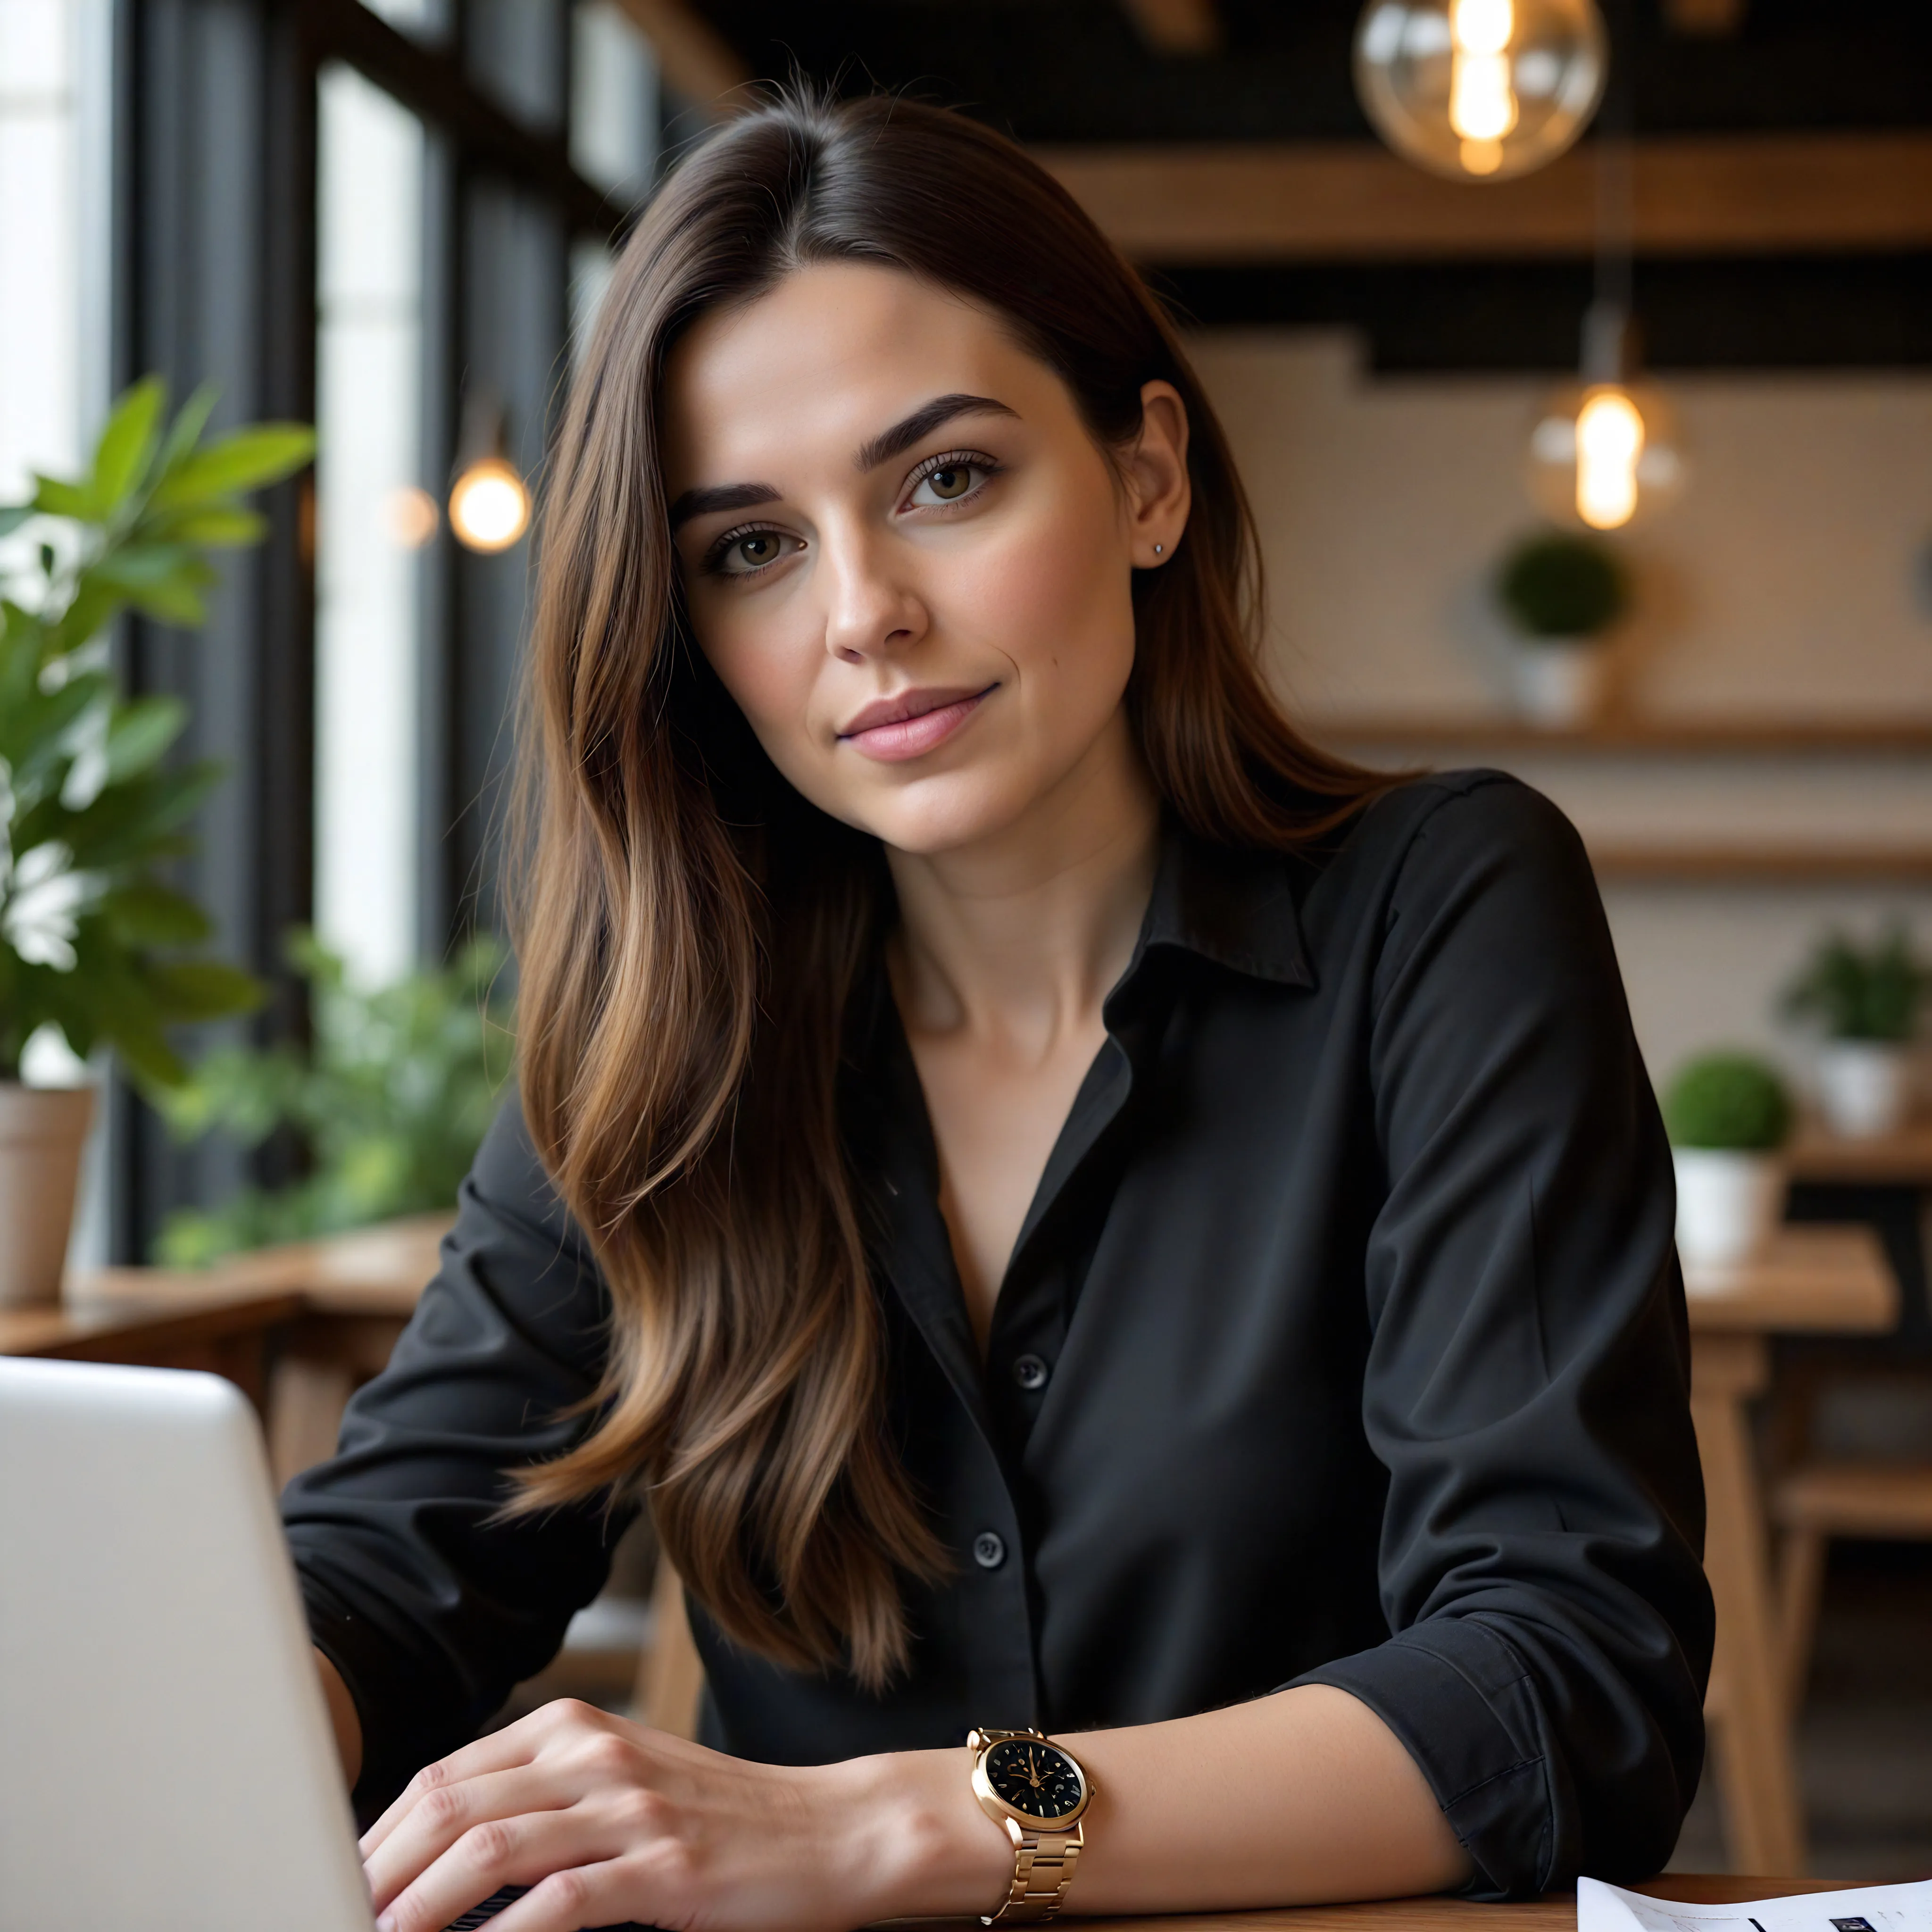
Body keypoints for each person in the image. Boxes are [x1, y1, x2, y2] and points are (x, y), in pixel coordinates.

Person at [283, 88, 1711, 1932]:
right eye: (749, 548)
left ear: (1145, 476)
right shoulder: (678, 1037)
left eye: (942, 479)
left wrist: (889, 1826)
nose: (861, 613)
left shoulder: (1440, 910)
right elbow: (393, 1573)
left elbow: (1563, 1684)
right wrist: (210, 1718)